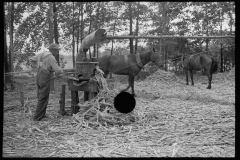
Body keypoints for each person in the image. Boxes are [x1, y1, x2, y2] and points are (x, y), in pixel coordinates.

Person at [30, 43, 64, 121]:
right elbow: (58, 70)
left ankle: (41, 115)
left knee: (40, 95)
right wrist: (61, 71)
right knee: (43, 97)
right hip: (44, 76)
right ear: (52, 50)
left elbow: (32, 60)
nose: (57, 52)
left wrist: (37, 67)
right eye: (57, 50)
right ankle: (37, 117)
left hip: (38, 75)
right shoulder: (51, 57)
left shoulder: (41, 54)